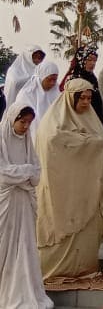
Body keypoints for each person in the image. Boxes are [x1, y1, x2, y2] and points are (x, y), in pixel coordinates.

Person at [36, 78, 103, 280]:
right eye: (82, 98)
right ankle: (55, 271)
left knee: (86, 231)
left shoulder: (91, 119)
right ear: (70, 98)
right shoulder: (53, 120)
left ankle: (84, 268)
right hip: (62, 188)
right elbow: (52, 142)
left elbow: (102, 143)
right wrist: (88, 143)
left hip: (88, 187)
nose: (86, 102)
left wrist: (91, 143)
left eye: (89, 98)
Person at [0, 105, 53, 309]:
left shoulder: (27, 142)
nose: (25, 126)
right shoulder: (2, 139)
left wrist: (22, 175)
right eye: (22, 122)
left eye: (29, 122)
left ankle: (22, 290)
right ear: (13, 119)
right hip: (6, 204)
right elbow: (3, 175)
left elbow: (37, 173)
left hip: (23, 204)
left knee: (24, 248)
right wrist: (25, 172)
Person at [12, 59, 60, 140]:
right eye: (49, 79)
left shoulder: (56, 93)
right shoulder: (26, 94)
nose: (52, 83)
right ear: (41, 78)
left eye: (54, 80)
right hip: (32, 136)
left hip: (54, 136)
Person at [59, 46, 103, 127]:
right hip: (78, 123)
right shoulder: (73, 80)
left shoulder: (93, 79)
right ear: (81, 60)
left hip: (94, 121)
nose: (93, 63)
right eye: (89, 60)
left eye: (95, 60)